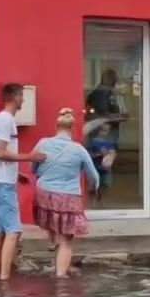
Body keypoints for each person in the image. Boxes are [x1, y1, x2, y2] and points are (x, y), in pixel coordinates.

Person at [31, 107, 101, 278]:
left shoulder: (42, 143)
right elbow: (94, 177)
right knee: (67, 240)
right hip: (67, 197)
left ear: (56, 126)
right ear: (73, 128)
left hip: (44, 194)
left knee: (53, 222)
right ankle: (61, 276)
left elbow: (33, 168)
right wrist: (95, 190)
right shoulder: (79, 150)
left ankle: (53, 243)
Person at [0, 82, 45, 282]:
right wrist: (30, 157)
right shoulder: (5, 121)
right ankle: (4, 279)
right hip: (2, 183)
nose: (23, 99)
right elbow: (0, 153)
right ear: (14, 97)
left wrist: (17, 172)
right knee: (14, 231)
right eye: (21, 95)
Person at [84, 69, 127, 195]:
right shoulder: (103, 93)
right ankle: (100, 187)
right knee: (103, 161)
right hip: (103, 132)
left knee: (100, 160)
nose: (116, 82)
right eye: (115, 79)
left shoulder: (99, 93)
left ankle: (98, 187)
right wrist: (117, 116)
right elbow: (104, 113)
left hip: (99, 131)